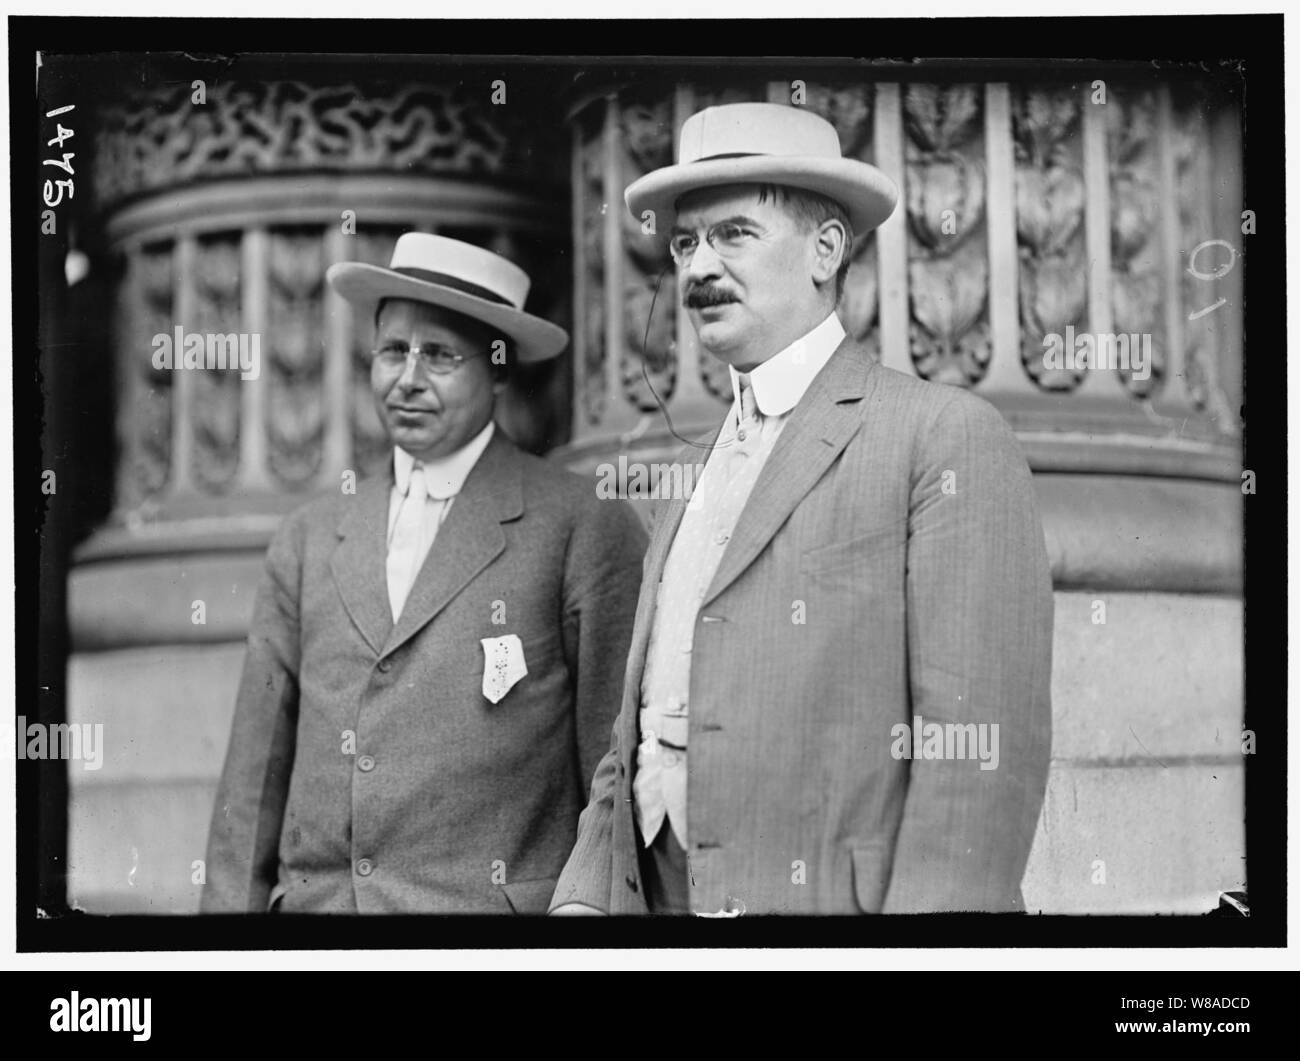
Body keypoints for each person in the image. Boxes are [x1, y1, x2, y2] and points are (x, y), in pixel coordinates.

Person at [551, 102, 1053, 915]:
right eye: (685, 243)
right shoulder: (694, 469)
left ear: (827, 250)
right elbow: (638, 725)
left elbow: (978, 764)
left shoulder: (943, 436)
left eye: (733, 235)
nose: (697, 268)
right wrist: (584, 901)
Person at [203, 233, 647, 913]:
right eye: (391, 352)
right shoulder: (309, 535)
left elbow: (612, 762)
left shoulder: (580, 524)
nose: (406, 378)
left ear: (499, 370)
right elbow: (251, 784)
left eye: (439, 355)